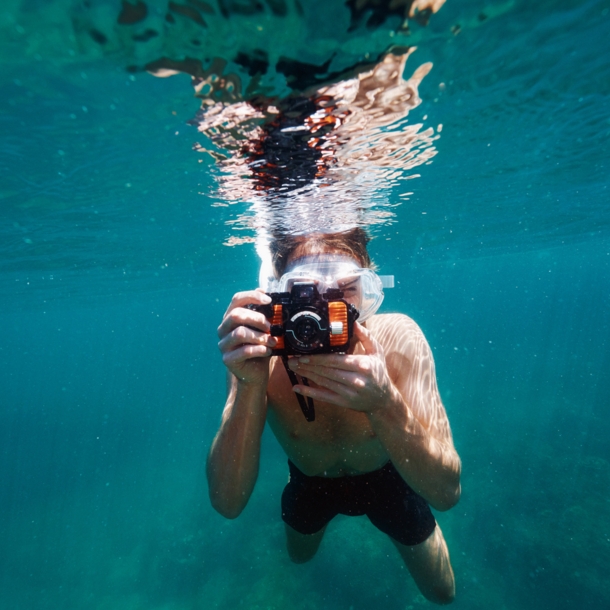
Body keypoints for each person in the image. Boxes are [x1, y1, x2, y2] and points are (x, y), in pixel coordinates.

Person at [207, 228, 461, 605]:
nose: (325, 313)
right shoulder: (259, 353)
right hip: (311, 483)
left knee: (443, 593)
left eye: (346, 291)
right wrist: (249, 385)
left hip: (390, 478)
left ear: (369, 292)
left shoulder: (398, 339)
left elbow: (447, 492)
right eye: (304, 295)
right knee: (299, 557)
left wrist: (385, 403)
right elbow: (227, 503)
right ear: (276, 295)